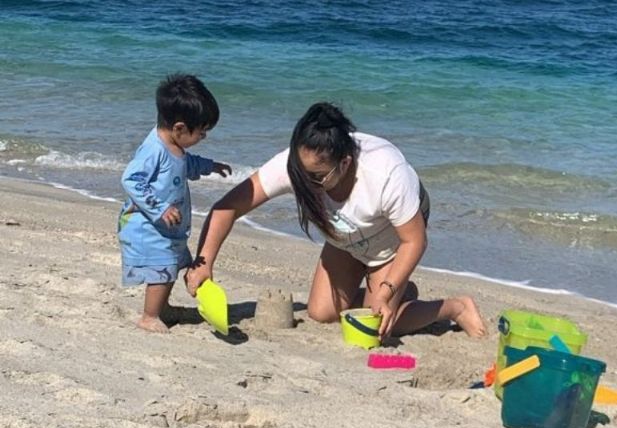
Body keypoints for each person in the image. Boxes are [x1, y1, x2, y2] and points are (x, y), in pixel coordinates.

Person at [184, 102, 486, 338]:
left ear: (345, 163)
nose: (304, 183)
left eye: (316, 178)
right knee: (321, 313)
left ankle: (453, 308)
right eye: (300, 174)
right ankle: (397, 291)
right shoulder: (299, 166)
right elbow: (228, 208)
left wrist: (385, 291)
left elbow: (415, 240)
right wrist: (204, 262)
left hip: (391, 238)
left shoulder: (386, 175)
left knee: (376, 326)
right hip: (346, 237)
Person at [118, 74, 232, 333]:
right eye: (201, 132)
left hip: (168, 225)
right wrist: (159, 208)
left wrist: (209, 166)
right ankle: (149, 316)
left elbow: (186, 163)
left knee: (171, 262)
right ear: (180, 128)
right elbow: (131, 179)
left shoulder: (174, 145)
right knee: (162, 268)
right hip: (147, 225)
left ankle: (163, 308)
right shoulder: (153, 150)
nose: (203, 136)